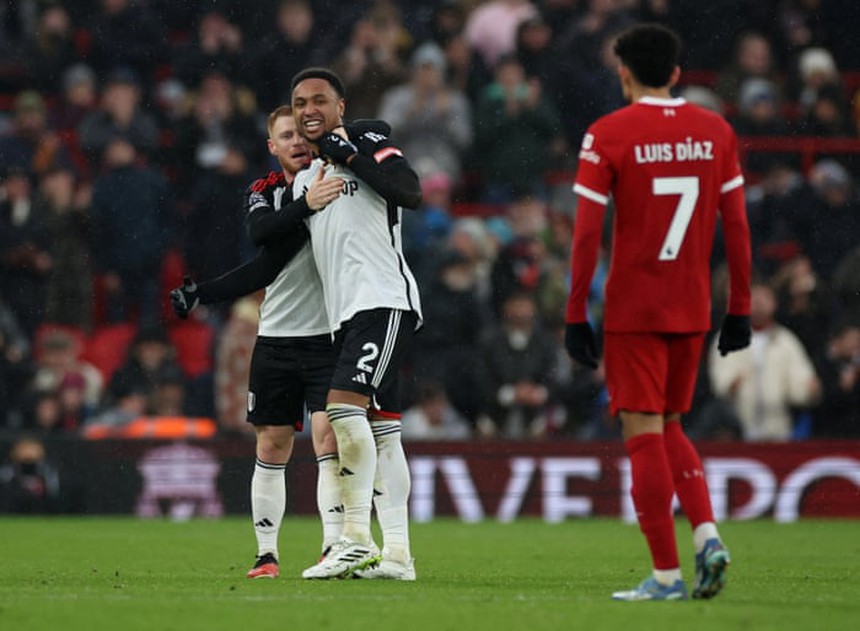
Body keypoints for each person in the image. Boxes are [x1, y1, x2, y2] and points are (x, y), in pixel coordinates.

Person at [564, 24, 752, 601]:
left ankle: (667, 575)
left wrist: (575, 312)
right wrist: (738, 307)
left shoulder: (608, 133)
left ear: (624, 73)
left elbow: (587, 232)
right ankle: (708, 535)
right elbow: (738, 226)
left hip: (635, 307)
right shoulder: (715, 130)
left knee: (642, 430)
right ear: (675, 73)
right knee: (671, 425)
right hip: (692, 304)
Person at [171, 104, 349, 579]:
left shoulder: (339, 183)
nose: (295, 141)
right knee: (271, 445)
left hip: (328, 337)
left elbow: (269, 257)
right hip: (275, 339)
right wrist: (306, 206)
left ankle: (334, 547)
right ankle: (266, 554)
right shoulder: (263, 191)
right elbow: (262, 240)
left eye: (300, 133)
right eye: (284, 135)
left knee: (329, 436)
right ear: (272, 147)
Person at [289, 67, 422, 580]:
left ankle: (354, 539)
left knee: (342, 411)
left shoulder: (367, 141)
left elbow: (409, 191)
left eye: (320, 99)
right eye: (300, 103)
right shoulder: (304, 180)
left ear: (341, 107)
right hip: (345, 315)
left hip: (382, 302)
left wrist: (348, 151)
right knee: (384, 432)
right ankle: (398, 557)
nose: (309, 110)